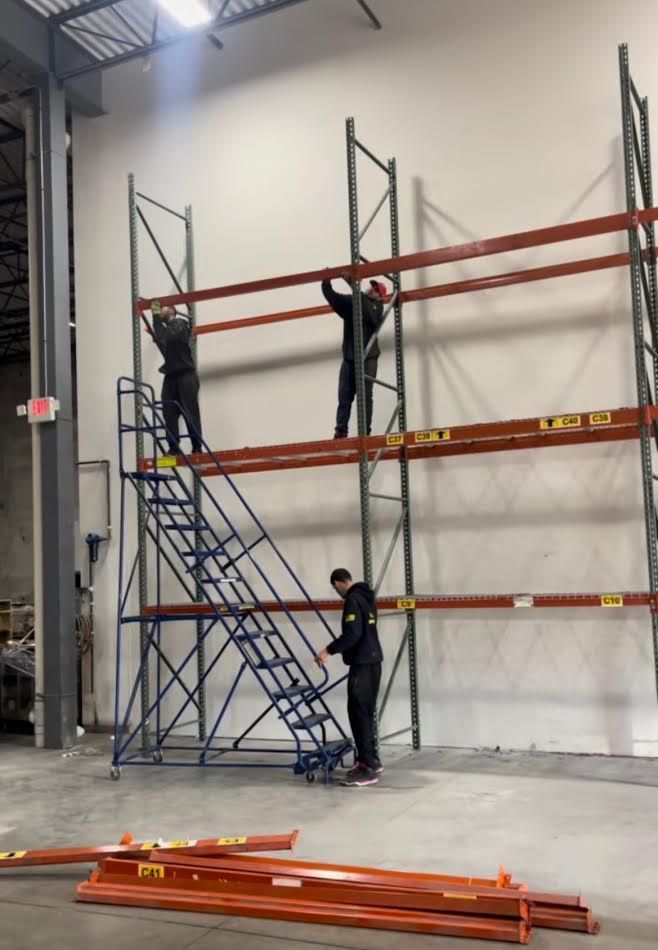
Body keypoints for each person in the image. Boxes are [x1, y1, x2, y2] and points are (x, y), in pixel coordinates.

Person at [315, 567, 383, 787]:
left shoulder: (352, 599)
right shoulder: (368, 597)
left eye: (335, 588)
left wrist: (328, 650)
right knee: (366, 711)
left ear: (338, 583)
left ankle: (366, 769)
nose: (337, 592)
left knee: (358, 713)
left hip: (362, 665)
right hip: (374, 662)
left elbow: (353, 633)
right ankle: (372, 759)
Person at [321, 274, 386, 439]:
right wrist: (326, 284)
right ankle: (341, 431)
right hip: (350, 359)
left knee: (365, 397)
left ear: (380, 296)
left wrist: (355, 289)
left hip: (368, 358)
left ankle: (365, 433)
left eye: (376, 289)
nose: (372, 289)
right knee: (344, 396)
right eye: (372, 286)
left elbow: (371, 317)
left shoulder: (377, 307)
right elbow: (335, 300)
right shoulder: (354, 302)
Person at [151, 305, 203, 455]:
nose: (161, 311)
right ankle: (174, 447)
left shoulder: (180, 324)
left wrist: (155, 310)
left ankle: (197, 447)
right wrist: (155, 312)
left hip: (186, 375)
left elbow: (166, 336)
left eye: (163, 308)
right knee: (169, 411)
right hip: (171, 376)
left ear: (172, 311)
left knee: (190, 412)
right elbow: (161, 335)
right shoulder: (165, 330)